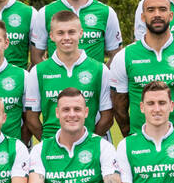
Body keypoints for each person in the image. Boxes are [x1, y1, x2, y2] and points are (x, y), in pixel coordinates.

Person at [110, 0, 174, 137]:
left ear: (171, 15)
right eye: (151, 10)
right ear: (143, 17)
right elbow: (119, 109)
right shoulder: (124, 56)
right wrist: (132, 139)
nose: (157, 14)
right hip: (139, 145)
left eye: (162, 9)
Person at [24, 9, 113, 145]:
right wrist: (50, 144)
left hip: (87, 150)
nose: (66, 37)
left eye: (71, 32)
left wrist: (88, 142)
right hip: (52, 151)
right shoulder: (38, 71)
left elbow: (107, 117)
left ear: (80, 33)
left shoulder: (100, 70)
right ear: (52, 36)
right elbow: (31, 118)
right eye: (60, 33)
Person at [27, 89, 122, 183]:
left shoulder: (103, 146)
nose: (72, 114)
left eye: (77, 109)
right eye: (66, 110)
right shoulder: (40, 150)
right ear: (57, 113)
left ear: (86, 112)